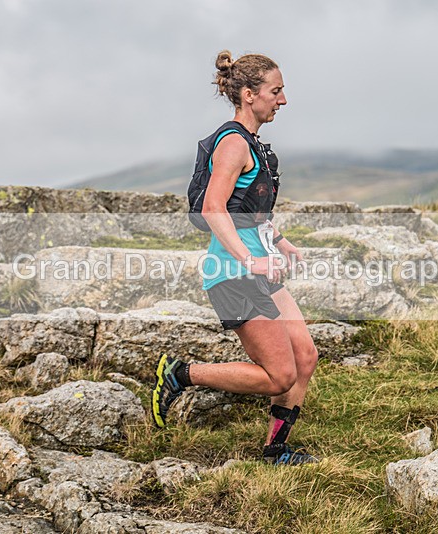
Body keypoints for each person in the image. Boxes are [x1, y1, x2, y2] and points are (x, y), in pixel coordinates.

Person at [151, 50, 320, 466]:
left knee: (305, 357)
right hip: (233, 273)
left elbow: (247, 206)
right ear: (249, 95)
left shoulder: (254, 144)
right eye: (276, 91)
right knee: (279, 374)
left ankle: (275, 450)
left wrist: (278, 241)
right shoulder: (231, 143)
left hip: (260, 266)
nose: (282, 100)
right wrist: (251, 260)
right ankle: (180, 373)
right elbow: (214, 209)